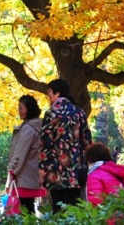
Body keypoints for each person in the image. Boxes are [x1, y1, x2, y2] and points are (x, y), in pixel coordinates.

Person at [39, 78, 93, 214]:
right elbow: (87, 141)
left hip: (55, 170)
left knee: (58, 208)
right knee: (75, 207)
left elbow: (45, 143)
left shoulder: (51, 114)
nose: (48, 95)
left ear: (58, 93)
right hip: (76, 169)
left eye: (50, 91)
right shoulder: (79, 112)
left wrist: (41, 168)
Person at [8, 94, 45, 215]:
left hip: (24, 175)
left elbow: (20, 152)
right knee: (29, 206)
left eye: (21, 108)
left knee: (25, 209)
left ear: (29, 108)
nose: (19, 111)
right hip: (33, 173)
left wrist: (13, 170)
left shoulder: (28, 128)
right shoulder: (39, 126)